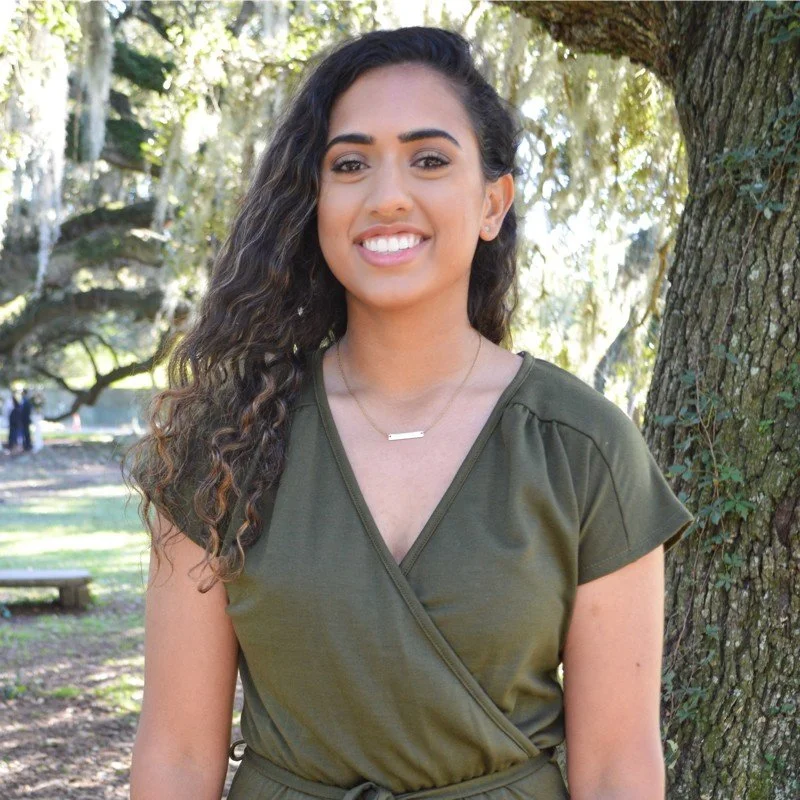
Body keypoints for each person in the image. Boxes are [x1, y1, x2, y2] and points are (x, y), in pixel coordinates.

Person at [126, 26, 694, 800]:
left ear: (494, 202)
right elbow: (177, 759)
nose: (388, 195)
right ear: (316, 201)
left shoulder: (584, 448)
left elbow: (617, 767)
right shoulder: (223, 443)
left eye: (429, 160)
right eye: (350, 164)